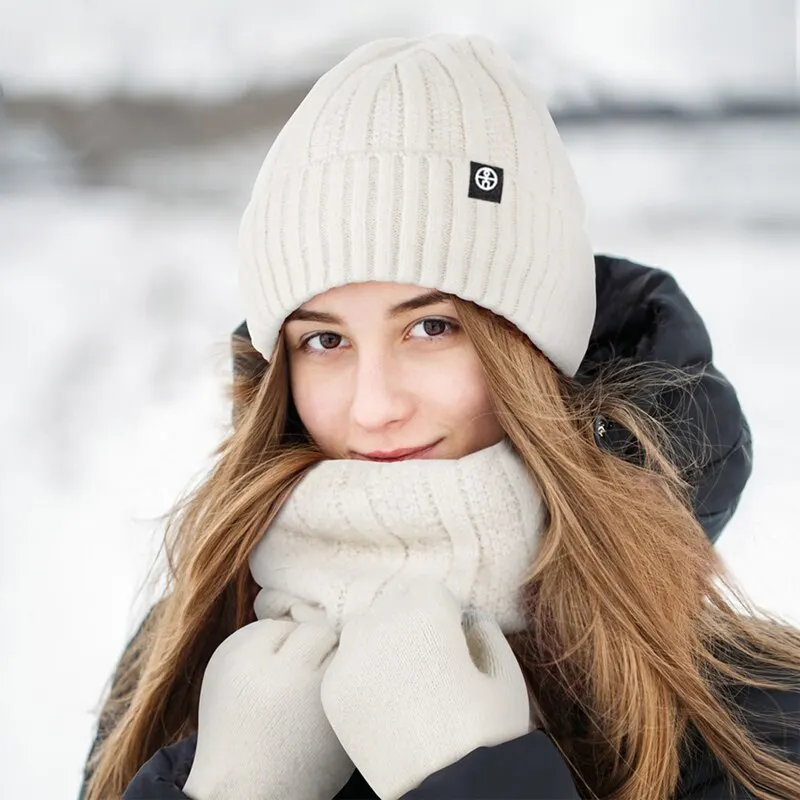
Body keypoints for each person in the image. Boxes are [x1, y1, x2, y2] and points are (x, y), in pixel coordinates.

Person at [81, 35, 799, 800]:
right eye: (325, 340)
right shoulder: (180, 659)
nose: (375, 405)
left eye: (432, 327)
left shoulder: (743, 709)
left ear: (531, 347)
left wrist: (478, 782)